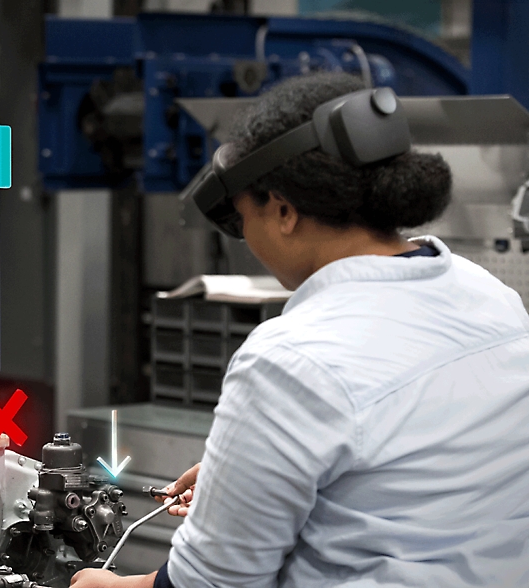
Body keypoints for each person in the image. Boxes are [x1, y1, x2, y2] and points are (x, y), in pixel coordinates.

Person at [71, 72, 529, 587]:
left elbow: (209, 586)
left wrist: (104, 585)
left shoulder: (290, 360)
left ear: (284, 211)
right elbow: (422, 476)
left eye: (244, 217)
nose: (246, 238)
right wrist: (251, 477)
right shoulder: (491, 296)